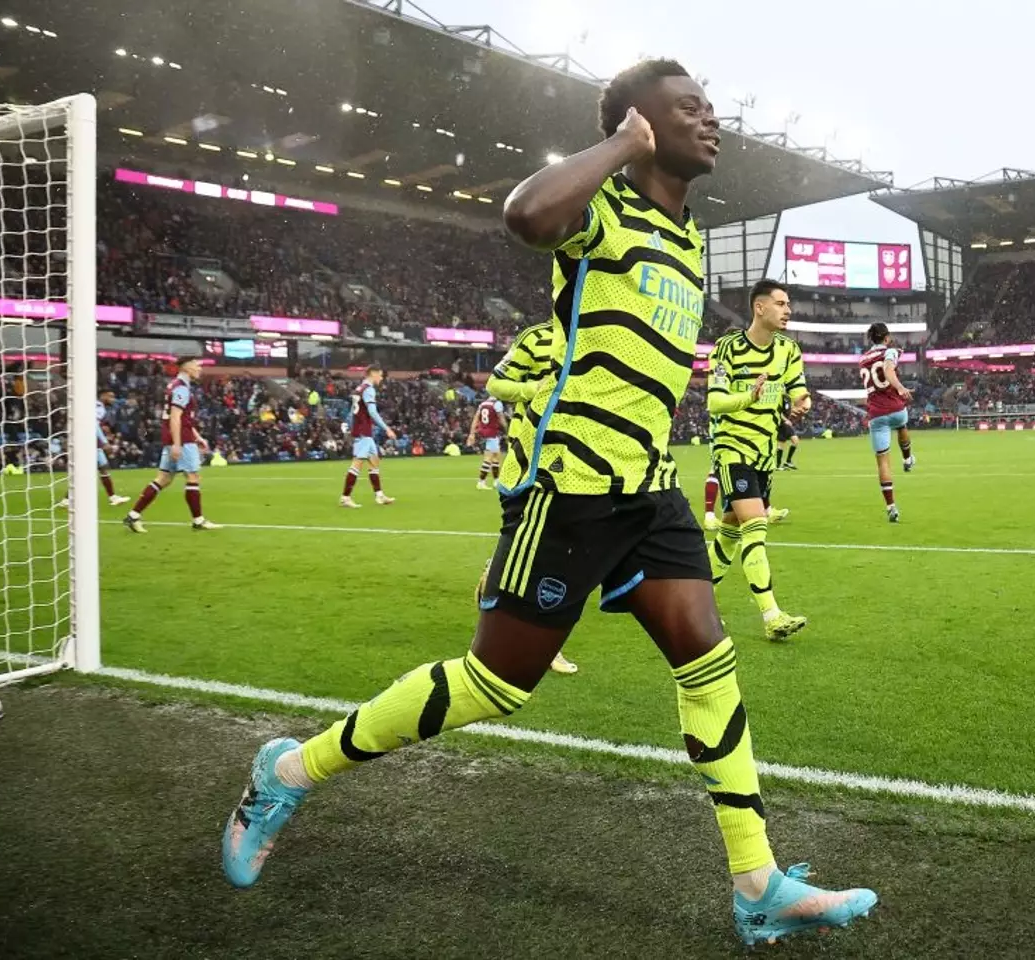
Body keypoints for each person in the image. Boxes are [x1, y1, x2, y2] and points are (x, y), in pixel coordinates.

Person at [220, 59, 876, 948]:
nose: (711, 120)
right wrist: (614, 146)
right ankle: (289, 770)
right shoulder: (603, 208)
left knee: (708, 663)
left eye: (711, 108)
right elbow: (526, 216)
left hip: (650, 490)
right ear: (641, 125)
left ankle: (757, 882)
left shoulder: (688, 241)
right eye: (689, 109)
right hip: (569, 493)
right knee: (496, 684)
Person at [705, 279, 810, 642]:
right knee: (756, 525)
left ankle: (697, 603)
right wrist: (748, 397)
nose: (788, 310)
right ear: (759, 308)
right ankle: (771, 614)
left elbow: (798, 387)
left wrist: (801, 401)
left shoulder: (788, 350)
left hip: (765, 455)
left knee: (731, 532)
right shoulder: (726, 349)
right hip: (732, 448)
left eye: (789, 304)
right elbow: (714, 403)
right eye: (781, 303)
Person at [486, 321, 577, 674]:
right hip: (533, 455)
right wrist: (535, 389)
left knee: (556, 545)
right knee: (551, 546)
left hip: (578, 455)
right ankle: (542, 644)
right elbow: (496, 382)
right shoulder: (535, 337)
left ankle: (493, 582)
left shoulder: (597, 330)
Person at [123, 357, 220, 533]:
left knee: (164, 478)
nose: (200, 369)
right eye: (197, 366)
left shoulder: (174, 385)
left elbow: (182, 417)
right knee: (193, 477)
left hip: (177, 436)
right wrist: (177, 444)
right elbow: (175, 417)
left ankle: (133, 516)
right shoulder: (181, 388)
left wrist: (197, 436)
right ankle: (198, 520)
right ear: (187, 367)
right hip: (181, 439)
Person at [858, 323, 914, 523]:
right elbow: (889, 370)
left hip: (877, 414)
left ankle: (891, 507)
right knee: (901, 425)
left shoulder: (862, 359)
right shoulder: (890, 351)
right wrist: (899, 387)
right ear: (887, 337)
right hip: (896, 408)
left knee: (883, 461)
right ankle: (907, 459)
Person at [339, 369, 396, 508]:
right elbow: (372, 412)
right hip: (363, 430)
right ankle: (345, 497)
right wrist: (386, 428)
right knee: (357, 463)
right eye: (380, 375)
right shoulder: (369, 389)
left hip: (362, 429)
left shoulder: (359, 388)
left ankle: (379, 495)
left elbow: (354, 409)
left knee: (374, 462)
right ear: (373, 374)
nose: (381, 378)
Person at [465, 397, 506, 490]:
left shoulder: (483, 404)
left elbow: (476, 419)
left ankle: (496, 481)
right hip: (492, 432)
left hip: (484, 431)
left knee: (496, 457)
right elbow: (501, 419)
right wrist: (507, 429)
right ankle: (481, 482)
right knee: (489, 458)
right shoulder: (497, 404)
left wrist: (472, 433)